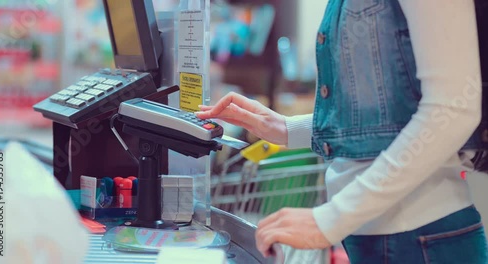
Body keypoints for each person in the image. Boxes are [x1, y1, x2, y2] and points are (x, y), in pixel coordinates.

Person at [196, 0, 488, 263]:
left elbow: (452, 109)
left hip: (421, 237)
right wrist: (285, 127)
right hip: (379, 236)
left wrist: (331, 219)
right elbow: (389, 116)